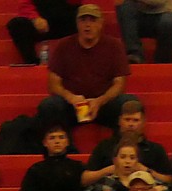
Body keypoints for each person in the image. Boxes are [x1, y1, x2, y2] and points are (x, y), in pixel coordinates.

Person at [36, 4, 138, 132]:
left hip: (103, 104)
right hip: (72, 105)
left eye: (92, 20)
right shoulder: (64, 46)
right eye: (83, 20)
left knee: (130, 103)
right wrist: (71, 97)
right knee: (49, 105)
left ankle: (122, 146)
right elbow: (53, 84)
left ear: (101, 23)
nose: (87, 25)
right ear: (77, 23)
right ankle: (63, 147)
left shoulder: (114, 46)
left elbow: (119, 84)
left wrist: (99, 101)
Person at [82, 100, 172, 191]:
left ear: (143, 122)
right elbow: (85, 180)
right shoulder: (104, 146)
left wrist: (147, 171)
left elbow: (169, 180)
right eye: (127, 119)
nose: (130, 124)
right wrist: (109, 170)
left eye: (135, 120)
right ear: (119, 121)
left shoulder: (155, 149)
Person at [7, 0, 80, 65]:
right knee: (17, 24)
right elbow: (25, 5)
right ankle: (32, 62)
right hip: (41, 23)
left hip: (65, 21)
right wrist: (35, 18)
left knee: (82, 18)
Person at [115, 0, 172, 64]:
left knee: (169, 22)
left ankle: (163, 60)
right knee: (124, 7)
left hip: (163, 15)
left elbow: (157, 2)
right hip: (137, 18)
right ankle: (134, 55)